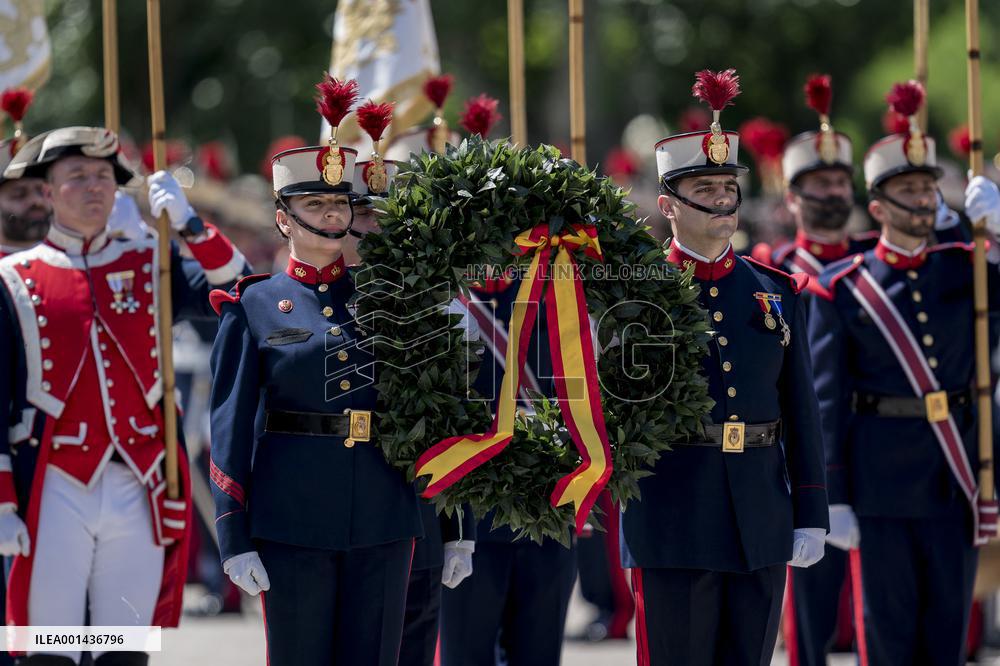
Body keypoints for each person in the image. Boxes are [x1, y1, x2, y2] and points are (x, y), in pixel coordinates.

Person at [0, 125, 248, 666]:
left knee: (124, 650)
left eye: (103, 176)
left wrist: (189, 225)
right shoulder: (13, 276)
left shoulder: (152, 261)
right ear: (47, 190)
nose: (94, 186)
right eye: (77, 176)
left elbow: (239, 291)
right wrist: (1, 501)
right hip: (53, 483)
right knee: (51, 651)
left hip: (140, 482)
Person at [208, 77, 424, 666]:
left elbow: (426, 412)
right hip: (292, 518)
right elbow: (229, 429)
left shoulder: (390, 300)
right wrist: (232, 534)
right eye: (313, 205)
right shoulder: (252, 305)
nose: (331, 214)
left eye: (340, 204)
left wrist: (452, 526)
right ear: (283, 219)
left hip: (382, 511)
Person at [620, 69, 829, 666]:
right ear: (669, 205)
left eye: (727, 187)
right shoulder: (636, 294)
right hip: (673, 518)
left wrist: (811, 510)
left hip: (759, 515)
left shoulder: (775, 291)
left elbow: (801, 409)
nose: (721, 199)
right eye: (704, 189)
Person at [809, 80, 1000, 666]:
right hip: (881, 485)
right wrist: (835, 495)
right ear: (878, 208)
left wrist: (997, 232)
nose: (922, 200)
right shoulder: (843, 288)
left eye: (927, 188)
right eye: (908, 191)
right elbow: (827, 401)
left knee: (947, 634)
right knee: (889, 634)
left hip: (954, 474)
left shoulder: (966, 269)